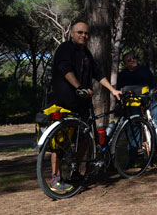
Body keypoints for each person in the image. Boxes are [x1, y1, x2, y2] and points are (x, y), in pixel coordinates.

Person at [49, 22, 122, 192]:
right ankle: (55, 179)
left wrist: (112, 90)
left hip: (82, 105)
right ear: (72, 34)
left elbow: (97, 73)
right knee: (60, 142)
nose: (83, 36)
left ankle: (74, 171)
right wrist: (79, 86)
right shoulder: (65, 49)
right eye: (80, 32)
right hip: (63, 103)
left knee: (83, 139)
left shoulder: (85, 53)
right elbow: (65, 69)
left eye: (86, 33)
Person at [117, 52, 157, 148]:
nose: (132, 60)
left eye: (134, 58)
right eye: (129, 60)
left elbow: (154, 84)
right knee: (134, 123)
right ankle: (134, 149)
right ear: (125, 64)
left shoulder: (145, 71)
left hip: (147, 101)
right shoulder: (122, 75)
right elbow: (119, 90)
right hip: (132, 103)